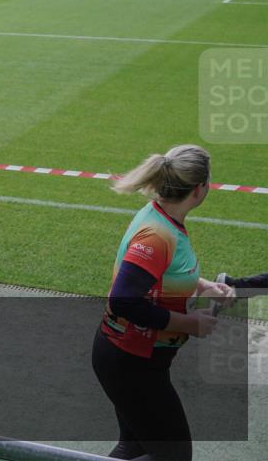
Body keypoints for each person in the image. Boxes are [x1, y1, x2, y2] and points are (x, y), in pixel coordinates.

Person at [92, 144, 234, 461]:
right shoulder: (157, 235)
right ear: (199, 189)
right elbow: (123, 301)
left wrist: (201, 285)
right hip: (131, 363)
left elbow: (160, 274)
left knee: (136, 446)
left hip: (133, 359)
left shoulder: (163, 219)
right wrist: (189, 323)